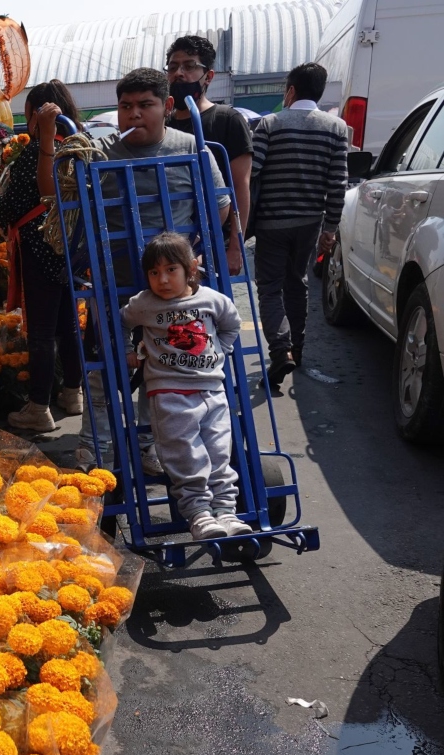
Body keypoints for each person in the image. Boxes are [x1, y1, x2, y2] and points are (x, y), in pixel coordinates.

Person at [35, 67, 231, 472]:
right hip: (113, 286)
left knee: (169, 371)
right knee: (104, 372)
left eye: (146, 105)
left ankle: (156, 447)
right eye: (126, 107)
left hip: (176, 292)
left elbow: (220, 206)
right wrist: (46, 142)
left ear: (168, 107)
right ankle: (96, 454)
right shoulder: (97, 151)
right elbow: (52, 194)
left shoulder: (191, 147)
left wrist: (195, 249)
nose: (134, 115)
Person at [122, 232, 249, 541]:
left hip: (212, 390)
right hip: (168, 391)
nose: (162, 279)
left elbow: (231, 324)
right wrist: (128, 349)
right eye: (154, 272)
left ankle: (226, 512)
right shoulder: (144, 304)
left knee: (219, 452)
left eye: (171, 270)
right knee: (184, 454)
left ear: (191, 268)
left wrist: (222, 349)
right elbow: (122, 321)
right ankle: (199, 514)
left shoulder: (211, 300)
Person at [0, 79, 85, 433]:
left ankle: (38, 407)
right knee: (68, 324)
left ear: (38, 114)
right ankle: (72, 392)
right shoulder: (76, 145)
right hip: (70, 247)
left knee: (42, 331)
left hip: (40, 245)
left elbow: (14, 203)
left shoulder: (39, 149)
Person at [251, 62, 348, 389]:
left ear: (290, 91)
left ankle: (281, 351)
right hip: (310, 222)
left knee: (269, 287)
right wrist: (330, 229)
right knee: (297, 282)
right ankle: (298, 349)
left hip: (271, 223)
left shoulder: (270, 124)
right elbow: (338, 184)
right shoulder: (337, 128)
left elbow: (254, 170)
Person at [164, 34, 253, 275]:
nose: (179, 73)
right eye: (173, 67)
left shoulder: (227, 120)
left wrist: (236, 247)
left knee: (208, 310)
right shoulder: (163, 127)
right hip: (168, 246)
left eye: (190, 66)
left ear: (209, 76)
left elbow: (240, 187)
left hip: (214, 245)